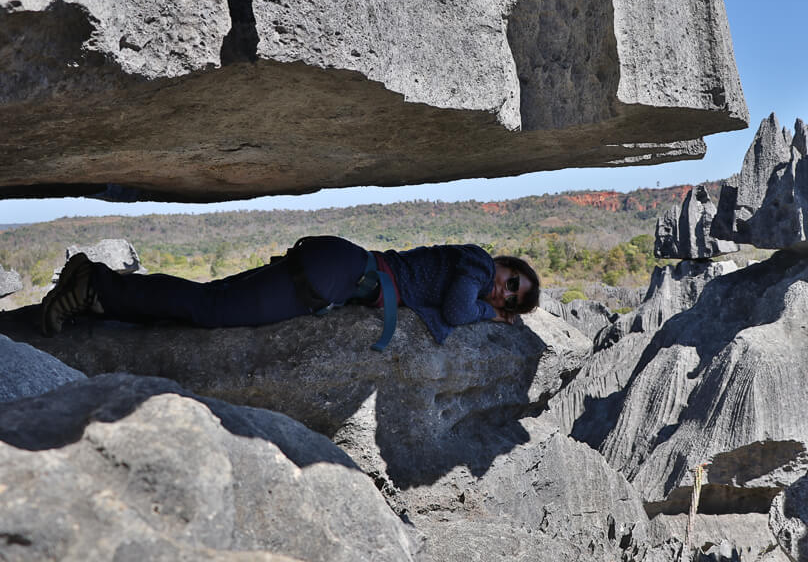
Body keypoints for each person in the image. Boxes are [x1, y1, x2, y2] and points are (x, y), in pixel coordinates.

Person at [40, 236, 540, 350]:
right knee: (211, 311)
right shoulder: (476, 262)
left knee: (209, 300)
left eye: (511, 299)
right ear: (504, 264)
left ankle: (101, 287)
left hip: (335, 269)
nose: (504, 291)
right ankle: (94, 286)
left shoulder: (474, 274)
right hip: (338, 274)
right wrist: (491, 318)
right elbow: (454, 311)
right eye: (512, 280)